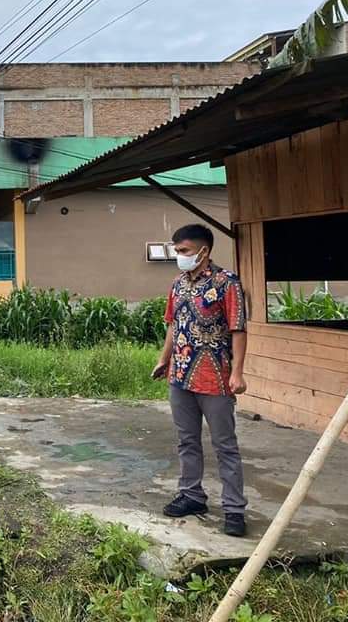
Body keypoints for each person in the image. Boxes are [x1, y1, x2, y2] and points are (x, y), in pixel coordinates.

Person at [152, 223, 248, 538]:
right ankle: (192, 495)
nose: (179, 257)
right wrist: (164, 360)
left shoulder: (226, 283)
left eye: (183, 251)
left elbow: (238, 328)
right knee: (187, 440)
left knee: (225, 445)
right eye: (177, 251)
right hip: (180, 376)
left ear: (203, 251)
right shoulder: (178, 284)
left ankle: (234, 509)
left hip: (215, 377)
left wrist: (238, 372)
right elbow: (172, 325)